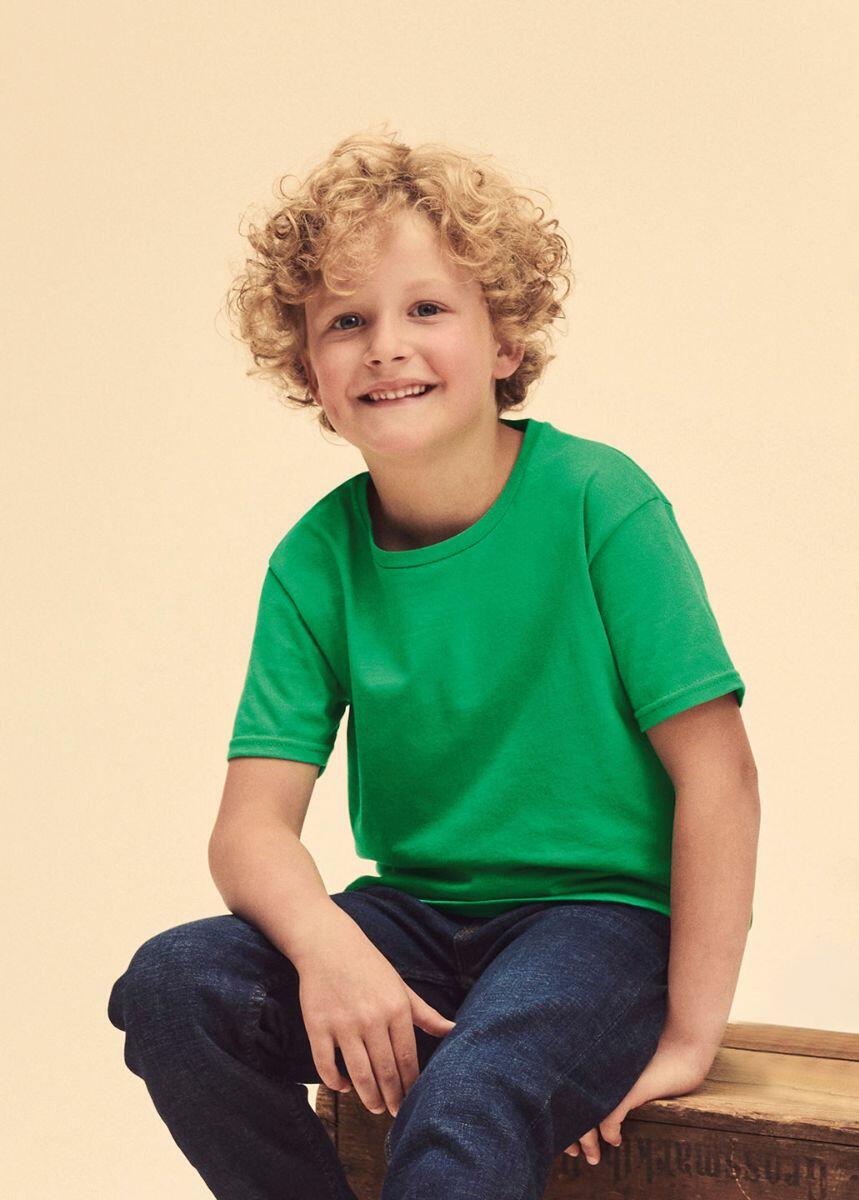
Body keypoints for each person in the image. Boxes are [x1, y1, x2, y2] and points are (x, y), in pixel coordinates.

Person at [107, 128, 760, 1200]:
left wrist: (693, 1033)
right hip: (414, 916)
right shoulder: (316, 559)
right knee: (176, 988)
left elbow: (719, 776)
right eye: (346, 321)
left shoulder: (601, 503)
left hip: (597, 926)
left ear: (503, 342)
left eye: (426, 309)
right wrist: (327, 945)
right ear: (307, 368)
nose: (385, 347)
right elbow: (250, 826)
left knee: (463, 1103)